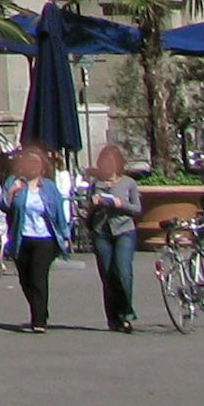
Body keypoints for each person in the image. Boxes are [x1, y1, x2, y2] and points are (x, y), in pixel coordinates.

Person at [0, 142, 71, 333]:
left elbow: (59, 213)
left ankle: (38, 320)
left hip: (45, 238)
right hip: (22, 237)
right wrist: (12, 191)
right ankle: (39, 310)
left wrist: (66, 235)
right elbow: (3, 206)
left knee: (38, 277)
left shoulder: (49, 187)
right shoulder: (15, 182)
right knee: (25, 279)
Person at [84, 141, 144, 333]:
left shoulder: (128, 183)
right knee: (108, 275)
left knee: (123, 271)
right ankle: (113, 317)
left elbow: (137, 209)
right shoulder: (96, 185)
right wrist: (94, 204)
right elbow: (87, 211)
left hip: (124, 230)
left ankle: (126, 313)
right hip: (102, 231)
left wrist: (120, 204)